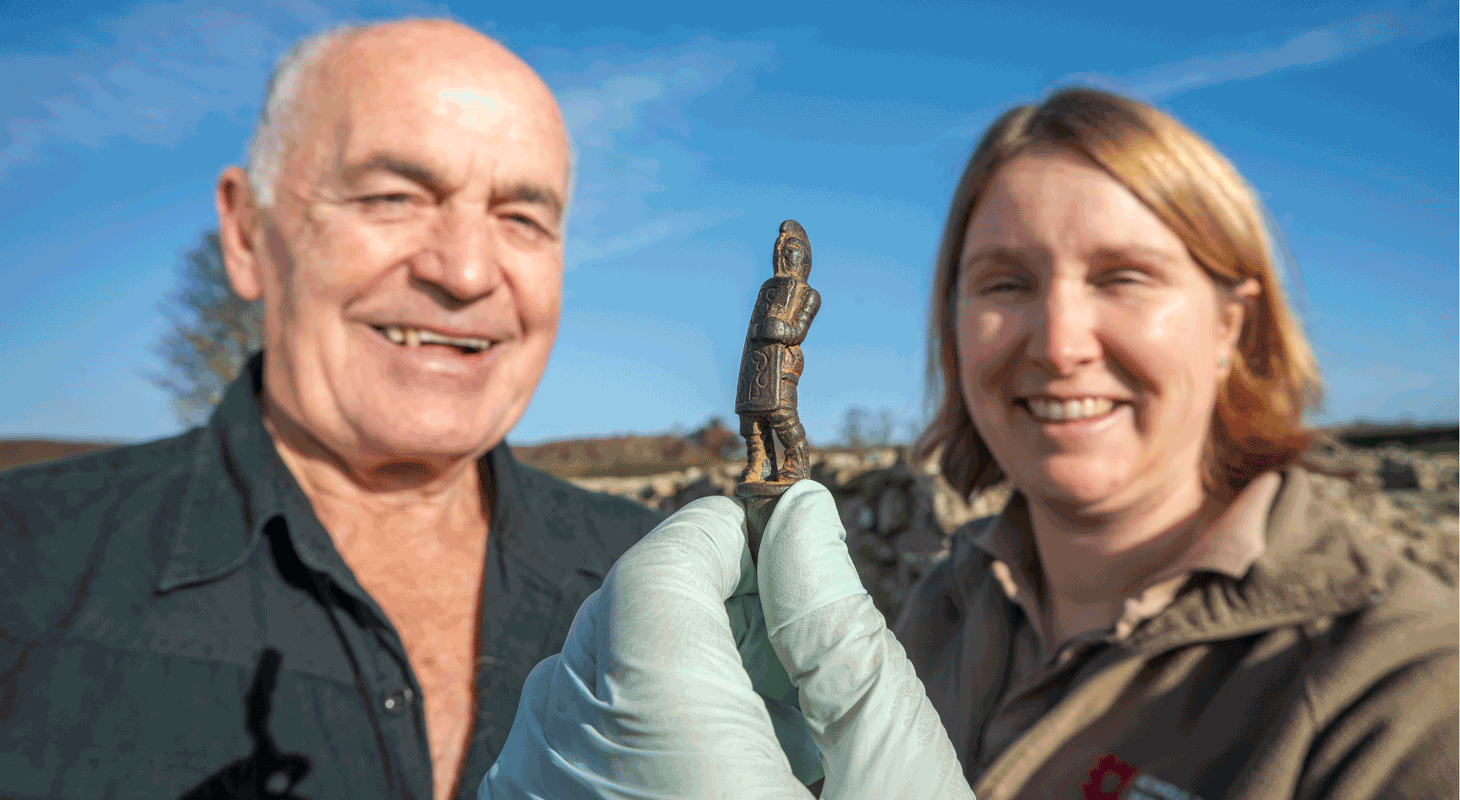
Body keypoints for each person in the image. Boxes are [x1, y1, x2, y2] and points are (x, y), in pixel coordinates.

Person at [480, 88, 1457, 800]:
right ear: (948, 323)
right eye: (1002, 283)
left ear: (1230, 324)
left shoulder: (1406, 691)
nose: (1059, 341)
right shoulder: (942, 607)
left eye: (1122, 275)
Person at [0, 20, 662, 800]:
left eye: (522, 217)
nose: (468, 271)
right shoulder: (24, 569)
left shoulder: (658, 581)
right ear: (246, 233)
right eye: (393, 197)